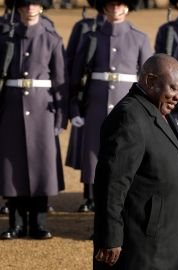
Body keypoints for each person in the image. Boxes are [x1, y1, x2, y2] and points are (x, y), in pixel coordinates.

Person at [93, 54, 178, 269]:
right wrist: (110, 236)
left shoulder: (158, 111)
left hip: (165, 242)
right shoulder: (129, 116)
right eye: (174, 88)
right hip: (142, 247)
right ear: (149, 81)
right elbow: (112, 183)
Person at [69, 0, 152, 214]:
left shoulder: (139, 38)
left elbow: (149, 82)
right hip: (96, 107)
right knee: (96, 161)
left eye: (120, 3)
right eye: (110, 3)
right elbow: (76, 80)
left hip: (128, 108)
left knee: (128, 159)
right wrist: (75, 109)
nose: (115, 7)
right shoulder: (92, 38)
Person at [0, 0, 67, 240]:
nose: (29, 8)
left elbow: (61, 81)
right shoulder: (6, 37)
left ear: (41, 7)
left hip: (42, 109)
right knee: (13, 167)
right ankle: (16, 223)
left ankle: (38, 223)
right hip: (11, 108)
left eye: (35, 3)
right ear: (18, 7)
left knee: (41, 166)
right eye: (25, 4)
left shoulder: (52, 39)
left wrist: (61, 115)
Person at [65, 0, 106, 213]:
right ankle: (89, 194)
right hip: (87, 91)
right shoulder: (84, 27)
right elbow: (71, 59)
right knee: (89, 148)